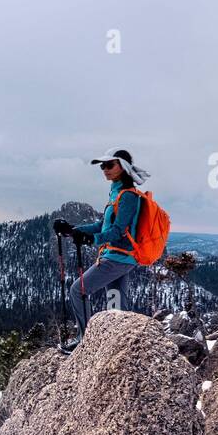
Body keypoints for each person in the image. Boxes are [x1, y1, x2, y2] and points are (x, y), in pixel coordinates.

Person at [52, 149, 151, 352]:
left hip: (119, 256)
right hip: (119, 257)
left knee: (77, 290)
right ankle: (119, 344)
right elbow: (102, 225)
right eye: (102, 166)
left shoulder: (128, 197)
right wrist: (74, 231)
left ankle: (86, 342)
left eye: (109, 165)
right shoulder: (116, 192)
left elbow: (117, 231)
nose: (104, 169)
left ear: (123, 167)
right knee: (115, 305)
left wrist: (91, 239)